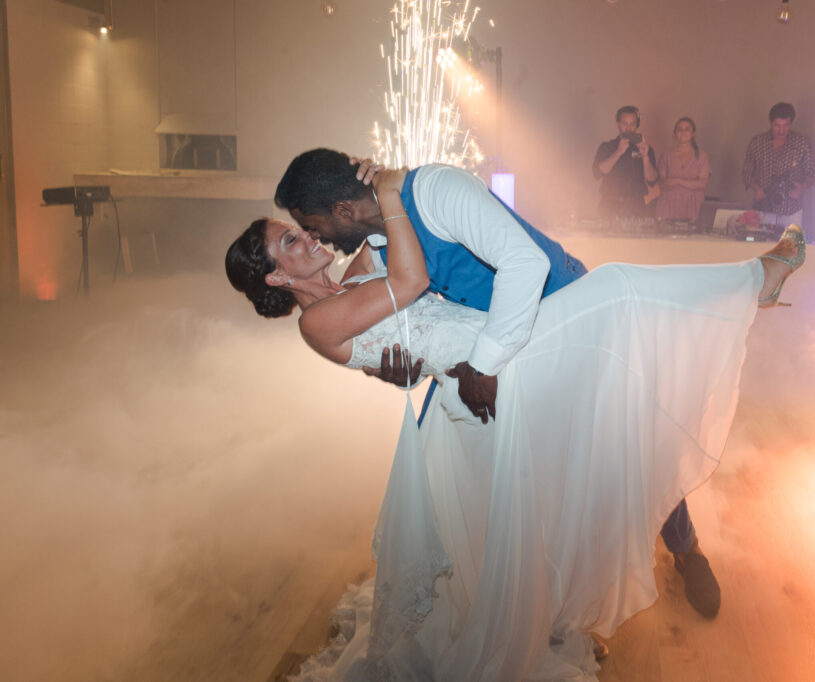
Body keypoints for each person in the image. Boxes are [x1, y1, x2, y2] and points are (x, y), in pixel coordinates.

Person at [274, 150, 723, 621]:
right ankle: (572, 598)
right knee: (552, 480)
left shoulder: (434, 191)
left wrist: (482, 365)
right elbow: (413, 326)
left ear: (342, 210)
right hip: (497, 364)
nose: (314, 236)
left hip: (565, 320)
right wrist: (404, 370)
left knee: (632, 442)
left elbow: (525, 264)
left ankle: (686, 548)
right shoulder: (377, 245)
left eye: (312, 224)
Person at [741, 101, 815, 227]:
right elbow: (746, 172)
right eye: (777, 125)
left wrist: (802, 187)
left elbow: (813, 172)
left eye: (786, 125)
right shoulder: (758, 142)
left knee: (791, 245)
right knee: (762, 245)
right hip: (764, 205)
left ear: (791, 123)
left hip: (791, 207)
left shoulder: (801, 143)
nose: (781, 130)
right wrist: (757, 189)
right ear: (771, 123)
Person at [592, 105, 659, 218]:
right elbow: (597, 173)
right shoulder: (607, 147)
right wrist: (618, 152)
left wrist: (645, 156)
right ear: (618, 124)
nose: (628, 128)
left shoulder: (646, 148)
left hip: (636, 206)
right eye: (624, 123)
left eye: (632, 124)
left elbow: (652, 180)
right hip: (610, 205)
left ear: (637, 125)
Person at [656, 117, 711, 223]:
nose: (683, 132)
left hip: (693, 206)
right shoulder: (666, 155)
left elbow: (702, 184)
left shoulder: (702, 156)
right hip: (668, 205)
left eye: (687, 129)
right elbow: (662, 183)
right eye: (680, 129)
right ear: (675, 133)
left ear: (693, 133)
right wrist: (690, 183)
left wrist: (677, 181)